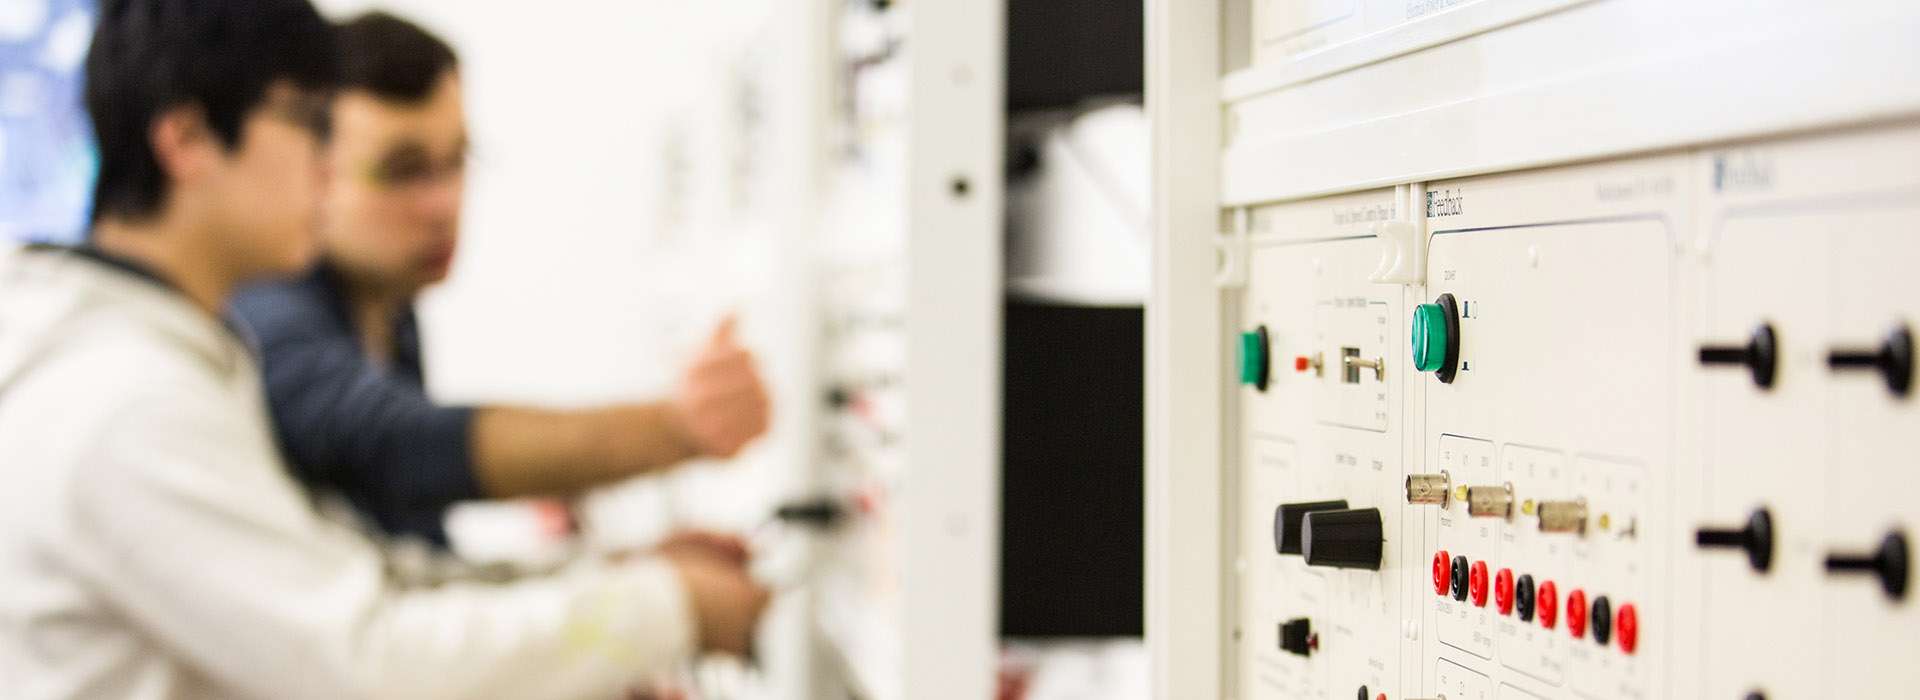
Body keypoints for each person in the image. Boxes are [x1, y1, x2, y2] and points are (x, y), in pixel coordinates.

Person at [0, 1, 766, 697]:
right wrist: (660, 604)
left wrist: (611, 587)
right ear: (188, 140)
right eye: (309, 122)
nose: (327, 169)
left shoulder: (172, 358)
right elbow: (362, 663)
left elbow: (355, 579)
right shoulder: (126, 401)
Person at [230, 11, 771, 547]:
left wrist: (625, 575)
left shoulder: (392, 317)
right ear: (314, 171)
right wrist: (675, 427)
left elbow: (414, 565)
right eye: (402, 169)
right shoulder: (264, 308)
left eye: (457, 160)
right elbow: (397, 445)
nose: (444, 203)